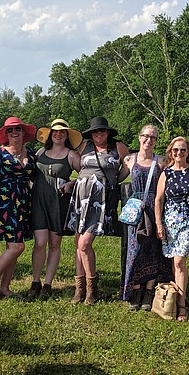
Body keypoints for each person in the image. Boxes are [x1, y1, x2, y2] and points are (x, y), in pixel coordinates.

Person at [66, 116, 130, 305]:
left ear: (108, 132)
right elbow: (78, 168)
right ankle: (80, 289)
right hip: (81, 198)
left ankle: (92, 288)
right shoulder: (84, 146)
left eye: (102, 131)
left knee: (84, 244)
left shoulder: (118, 147)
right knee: (79, 243)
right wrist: (73, 183)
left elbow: (126, 167)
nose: (99, 134)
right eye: (95, 131)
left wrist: (112, 181)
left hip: (100, 201)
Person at [0, 117, 37, 298]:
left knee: (12, 247)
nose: (14, 133)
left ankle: (5, 288)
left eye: (18, 129)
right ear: (6, 134)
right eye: (10, 130)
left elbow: (36, 177)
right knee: (17, 247)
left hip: (24, 202)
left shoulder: (32, 153)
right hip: (5, 202)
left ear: (23, 132)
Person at [27, 119, 82, 301]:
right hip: (39, 201)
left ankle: (48, 284)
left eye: (62, 132)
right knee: (40, 243)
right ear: (50, 134)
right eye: (55, 132)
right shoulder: (40, 152)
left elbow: (85, 175)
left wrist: (71, 183)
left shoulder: (71, 155)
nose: (58, 134)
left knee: (55, 244)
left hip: (58, 202)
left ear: (67, 135)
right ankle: (35, 281)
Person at [121, 124, 173, 311]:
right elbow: (117, 178)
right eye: (146, 136)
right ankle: (135, 290)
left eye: (153, 137)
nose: (149, 140)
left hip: (154, 207)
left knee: (152, 249)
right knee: (135, 249)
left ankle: (149, 291)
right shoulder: (129, 159)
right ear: (139, 137)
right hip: (136, 209)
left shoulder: (161, 161)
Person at [154, 136, 189, 322]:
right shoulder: (166, 173)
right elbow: (159, 200)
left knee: (179, 261)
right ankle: (173, 299)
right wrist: (159, 224)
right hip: (170, 221)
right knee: (173, 261)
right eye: (175, 150)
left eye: (183, 150)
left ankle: (182, 305)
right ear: (170, 152)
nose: (179, 153)